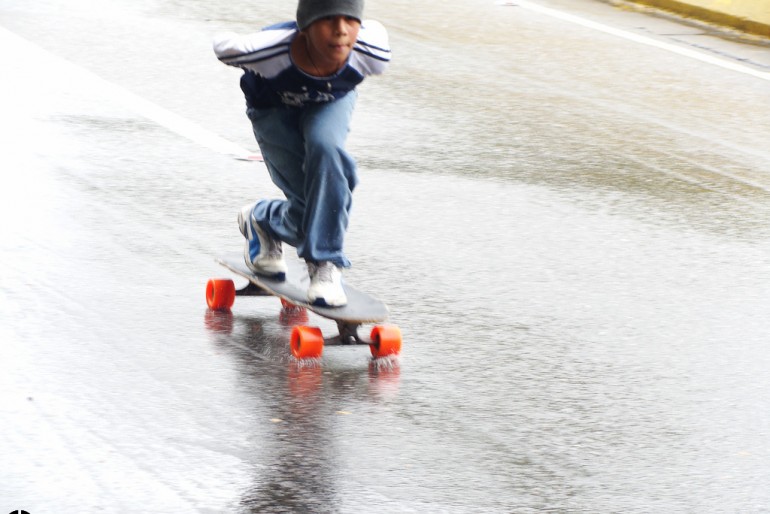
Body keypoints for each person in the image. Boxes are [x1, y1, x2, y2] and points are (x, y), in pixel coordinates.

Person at [213, 0, 390, 307]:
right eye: (328, 20)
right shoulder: (269, 50)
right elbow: (223, 46)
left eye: (350, 19)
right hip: (272, 109)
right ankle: (263, 219)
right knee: (309, 204)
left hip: (329, 102)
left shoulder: (371, 51)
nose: (340, 31)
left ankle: (325, 264)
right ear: (305, 27)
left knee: (328, 151)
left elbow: (369, 33)